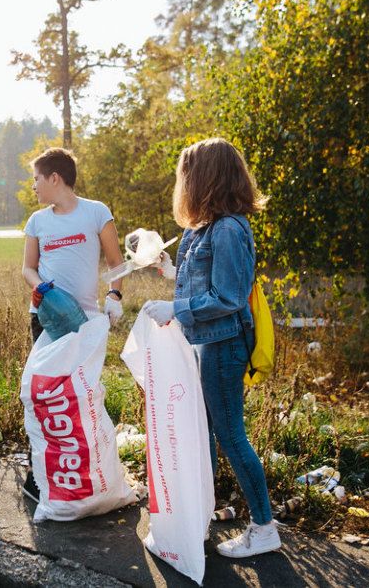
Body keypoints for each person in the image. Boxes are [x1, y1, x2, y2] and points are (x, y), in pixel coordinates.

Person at [142, 137, 281, 558]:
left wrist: (174, 307)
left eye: (186, 175)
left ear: (205, 178)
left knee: (230, 436)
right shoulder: (205, 228)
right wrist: (170, 272)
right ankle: (198, 518)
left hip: (224, 346)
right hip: (207, 343)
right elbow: (202, 281)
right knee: (203, 433)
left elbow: (228, 297)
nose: (182, 183)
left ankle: (263, 527)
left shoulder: (229, 230)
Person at [20, 147, 126, 501]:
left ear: (55, 178)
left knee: (79, 396)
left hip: (84, 323)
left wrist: (115, 297)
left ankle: (83, 473)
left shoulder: (96, 213)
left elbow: (116, 261)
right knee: (45, 398)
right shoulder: (37, 221)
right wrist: (41, 288)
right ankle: (41, 476)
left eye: (36, 178)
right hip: (46, 319)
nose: (33, 185)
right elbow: (28, 267)